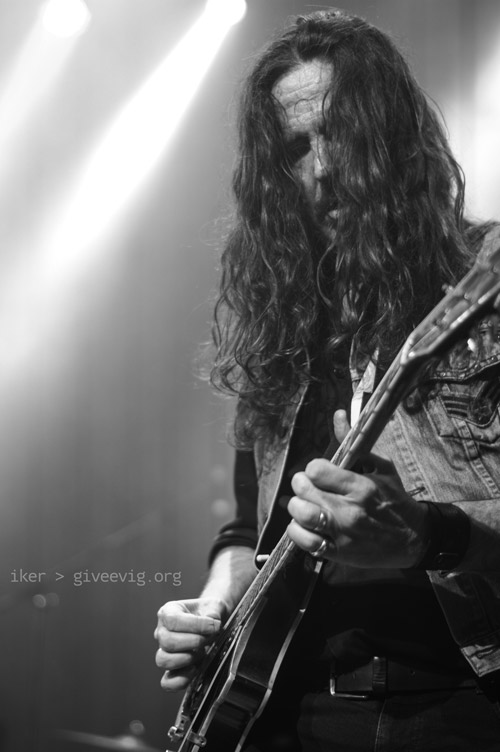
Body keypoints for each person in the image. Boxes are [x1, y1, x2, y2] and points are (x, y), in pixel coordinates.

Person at [154, 9, 500, 751]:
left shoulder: (483, 286)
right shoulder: (282, 324)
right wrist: (212, 608)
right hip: (290, 710)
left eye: (341, 131)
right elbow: (250, 532)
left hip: (460, 703)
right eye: (295, 147)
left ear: (396, 135)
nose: (322, 167)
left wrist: (433, 537)